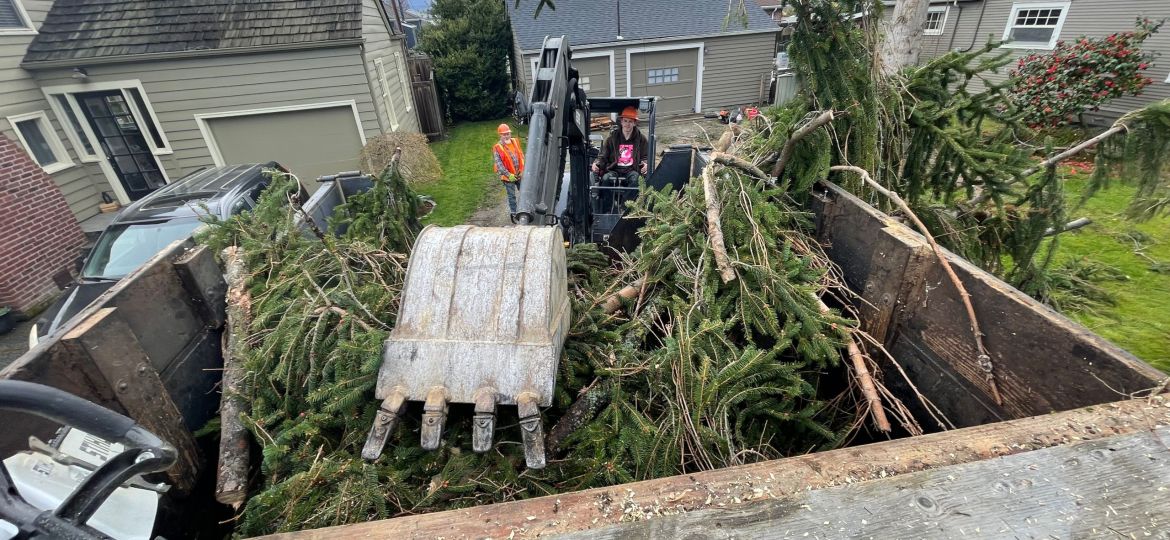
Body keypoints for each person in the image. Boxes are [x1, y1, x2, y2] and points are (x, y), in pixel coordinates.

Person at [592, 106, 649, 188]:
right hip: (614, 169)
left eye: (630, 121)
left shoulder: (641, 139)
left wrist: (646, 163)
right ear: (621, 122)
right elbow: (603, 155)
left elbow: (645, 156)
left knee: (636, 179)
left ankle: (628, 201)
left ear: (634, 123)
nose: (627, 124)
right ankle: (607, 201)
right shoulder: (612, 139)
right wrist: (596, 163)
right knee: (605, 179)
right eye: (625, 121)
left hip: (632, 170)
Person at [492, 123, 524, 215]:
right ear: (500, 135)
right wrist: (509, 175)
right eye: (504, 134)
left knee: (524, 192)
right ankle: (514, 213)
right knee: (511, 196)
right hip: (508, 177)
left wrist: (522, 170)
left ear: (510, 133)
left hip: (519, 173)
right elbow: (499, 165)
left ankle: (525, 209)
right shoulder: (497, 147)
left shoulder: (515, 141)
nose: (506, 136)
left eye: (508, 134)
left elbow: (521, 155)